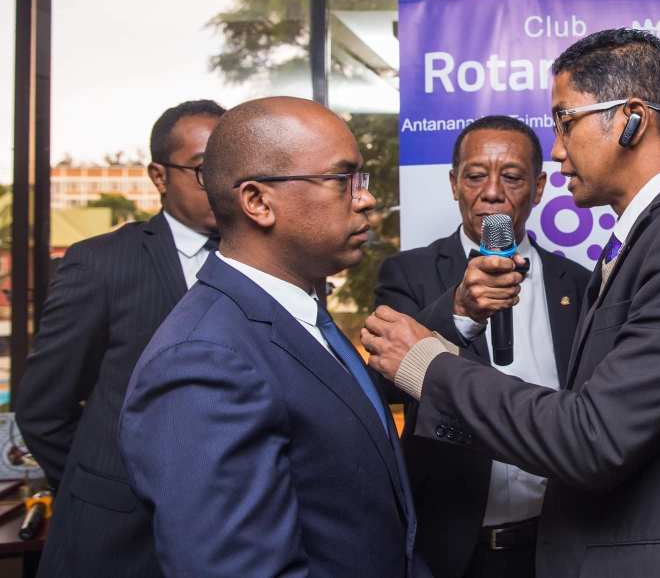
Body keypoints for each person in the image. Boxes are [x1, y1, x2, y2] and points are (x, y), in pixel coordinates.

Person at [363, 28, 660, 578]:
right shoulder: (652, 235)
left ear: (632, 119)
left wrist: (428, 364)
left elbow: (594, 436)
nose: (558, 148)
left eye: (565, 121)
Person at [119, 96, 427, 577]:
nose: (365, 199)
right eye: (342, 180)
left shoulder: (299, 315)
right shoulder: (204, 361)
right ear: (258, 202)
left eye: (361, 180)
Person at [16, 99, 224, 577]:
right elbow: (44, 409)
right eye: (202, 170)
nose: (220, 183)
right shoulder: (101, 263)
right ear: (159, 176)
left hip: (231, 533)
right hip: (120, 540)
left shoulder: (269, 263)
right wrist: (103, 488)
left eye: (230, 167)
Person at [375, 115, 590, 578]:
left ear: (538, 188)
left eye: (511, 177)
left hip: (561, 543)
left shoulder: (579, 284)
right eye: (475, 176)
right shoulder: (408, 274)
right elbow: (382, 385)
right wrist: (459, 313)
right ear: (454, 183)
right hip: (453, 550)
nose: (492, 192)